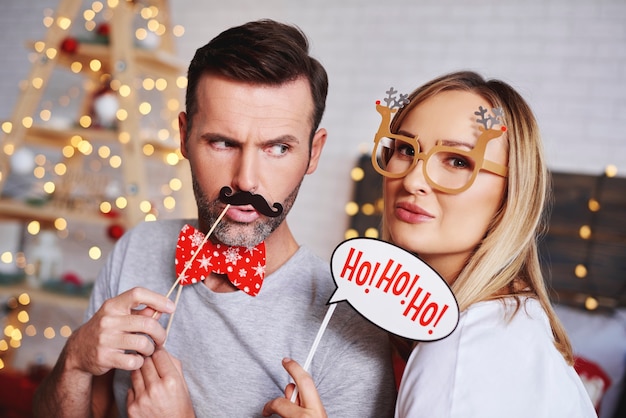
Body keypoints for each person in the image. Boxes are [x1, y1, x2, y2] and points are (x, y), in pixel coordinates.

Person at [33, 19, 396, 418]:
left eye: (278, 148)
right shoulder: (138, 248)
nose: (246, 179)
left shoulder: (348, 324)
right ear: (185, 136)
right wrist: (76, 359)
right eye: (223, 142)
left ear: (313, 153)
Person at [263, 71, 597, 417]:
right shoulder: (498, 322)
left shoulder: (463, 350)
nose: (413, 179)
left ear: (511, 194)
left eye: (457, 161)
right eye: (406, 149)